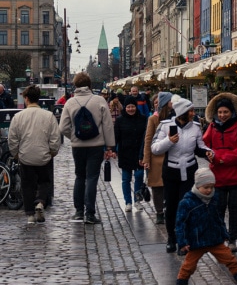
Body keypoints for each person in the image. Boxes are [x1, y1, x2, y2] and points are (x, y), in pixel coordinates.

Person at [174, 165, 237, 285]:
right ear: (197, 186)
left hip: (215, 239)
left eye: (211, 187)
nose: (209, 190)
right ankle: (181, 283)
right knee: (188, 266)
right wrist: (182, 242)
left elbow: (218, 218)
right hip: (196, 241)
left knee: (230, 260)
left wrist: (224, 233)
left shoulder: (214, 199)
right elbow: (180, 224)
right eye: (205, 187)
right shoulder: (187, 202)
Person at [151, 96, 211, 253]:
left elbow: (199, 147)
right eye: (190, 111)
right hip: (171, 171)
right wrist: (169, 141)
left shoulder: (196, 127)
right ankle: (172, 238)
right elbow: (155, 148)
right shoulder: (165, 126)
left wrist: (208, 153)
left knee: (185, 206)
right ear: (182, 112)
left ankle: (184, 240)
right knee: (171, 206)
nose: (193, 113)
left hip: (190, 170)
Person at [59, 71, 117, 224]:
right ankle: (89, 213)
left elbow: (63, 126)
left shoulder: (70, 102)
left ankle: (78, 211)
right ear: (89, 85)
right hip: (96, 145)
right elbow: (108, 125)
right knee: (92, 177)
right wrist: (110, 145)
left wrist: (73, 137)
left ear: (75, 85)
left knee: (80, 176)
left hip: (78, 146)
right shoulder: (99, 100)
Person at [203, 93, 237, 253]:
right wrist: (209, 154)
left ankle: (232, 239)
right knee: (219, 208)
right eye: (220, 112)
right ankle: (221, 236)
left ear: (232, 112)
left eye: (225, 112)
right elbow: (204, 145)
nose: (222, 115)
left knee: (234, 208)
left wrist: (223, 157)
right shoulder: (212, 127)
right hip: (218, 175)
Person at [8, 84, 60, 224]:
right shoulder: (48, 116)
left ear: (26, 99)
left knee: (27, 185)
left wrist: (16, 154)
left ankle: (30, 214)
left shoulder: (18, 117)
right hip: (44, 156)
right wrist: (52, 152)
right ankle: (40, 202)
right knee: (44, 181)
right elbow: (55, 138)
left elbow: (12, 138)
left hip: (25, 156)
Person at [143, 92, 174, 223]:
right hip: (156, 158)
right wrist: (146, 159)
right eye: (171, 101)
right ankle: (159, 212)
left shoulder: (176, 117)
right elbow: (148, 139)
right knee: (157, 187)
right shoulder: (153, 119)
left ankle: (169, 210)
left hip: (172, 156)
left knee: (170, 186)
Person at [114, 96, 147, 212]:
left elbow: (146, 137)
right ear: (125, 107)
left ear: (136, 107)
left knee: (139, 176)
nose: (131, 109)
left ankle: (137, 201)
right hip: (125, 153)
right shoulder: (120, 120)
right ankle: (128, 202)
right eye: (128, 107)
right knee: (126, 179)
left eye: (132, 106)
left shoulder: (143, 119)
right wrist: (112, 150)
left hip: (139, 153)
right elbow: (116, 137)